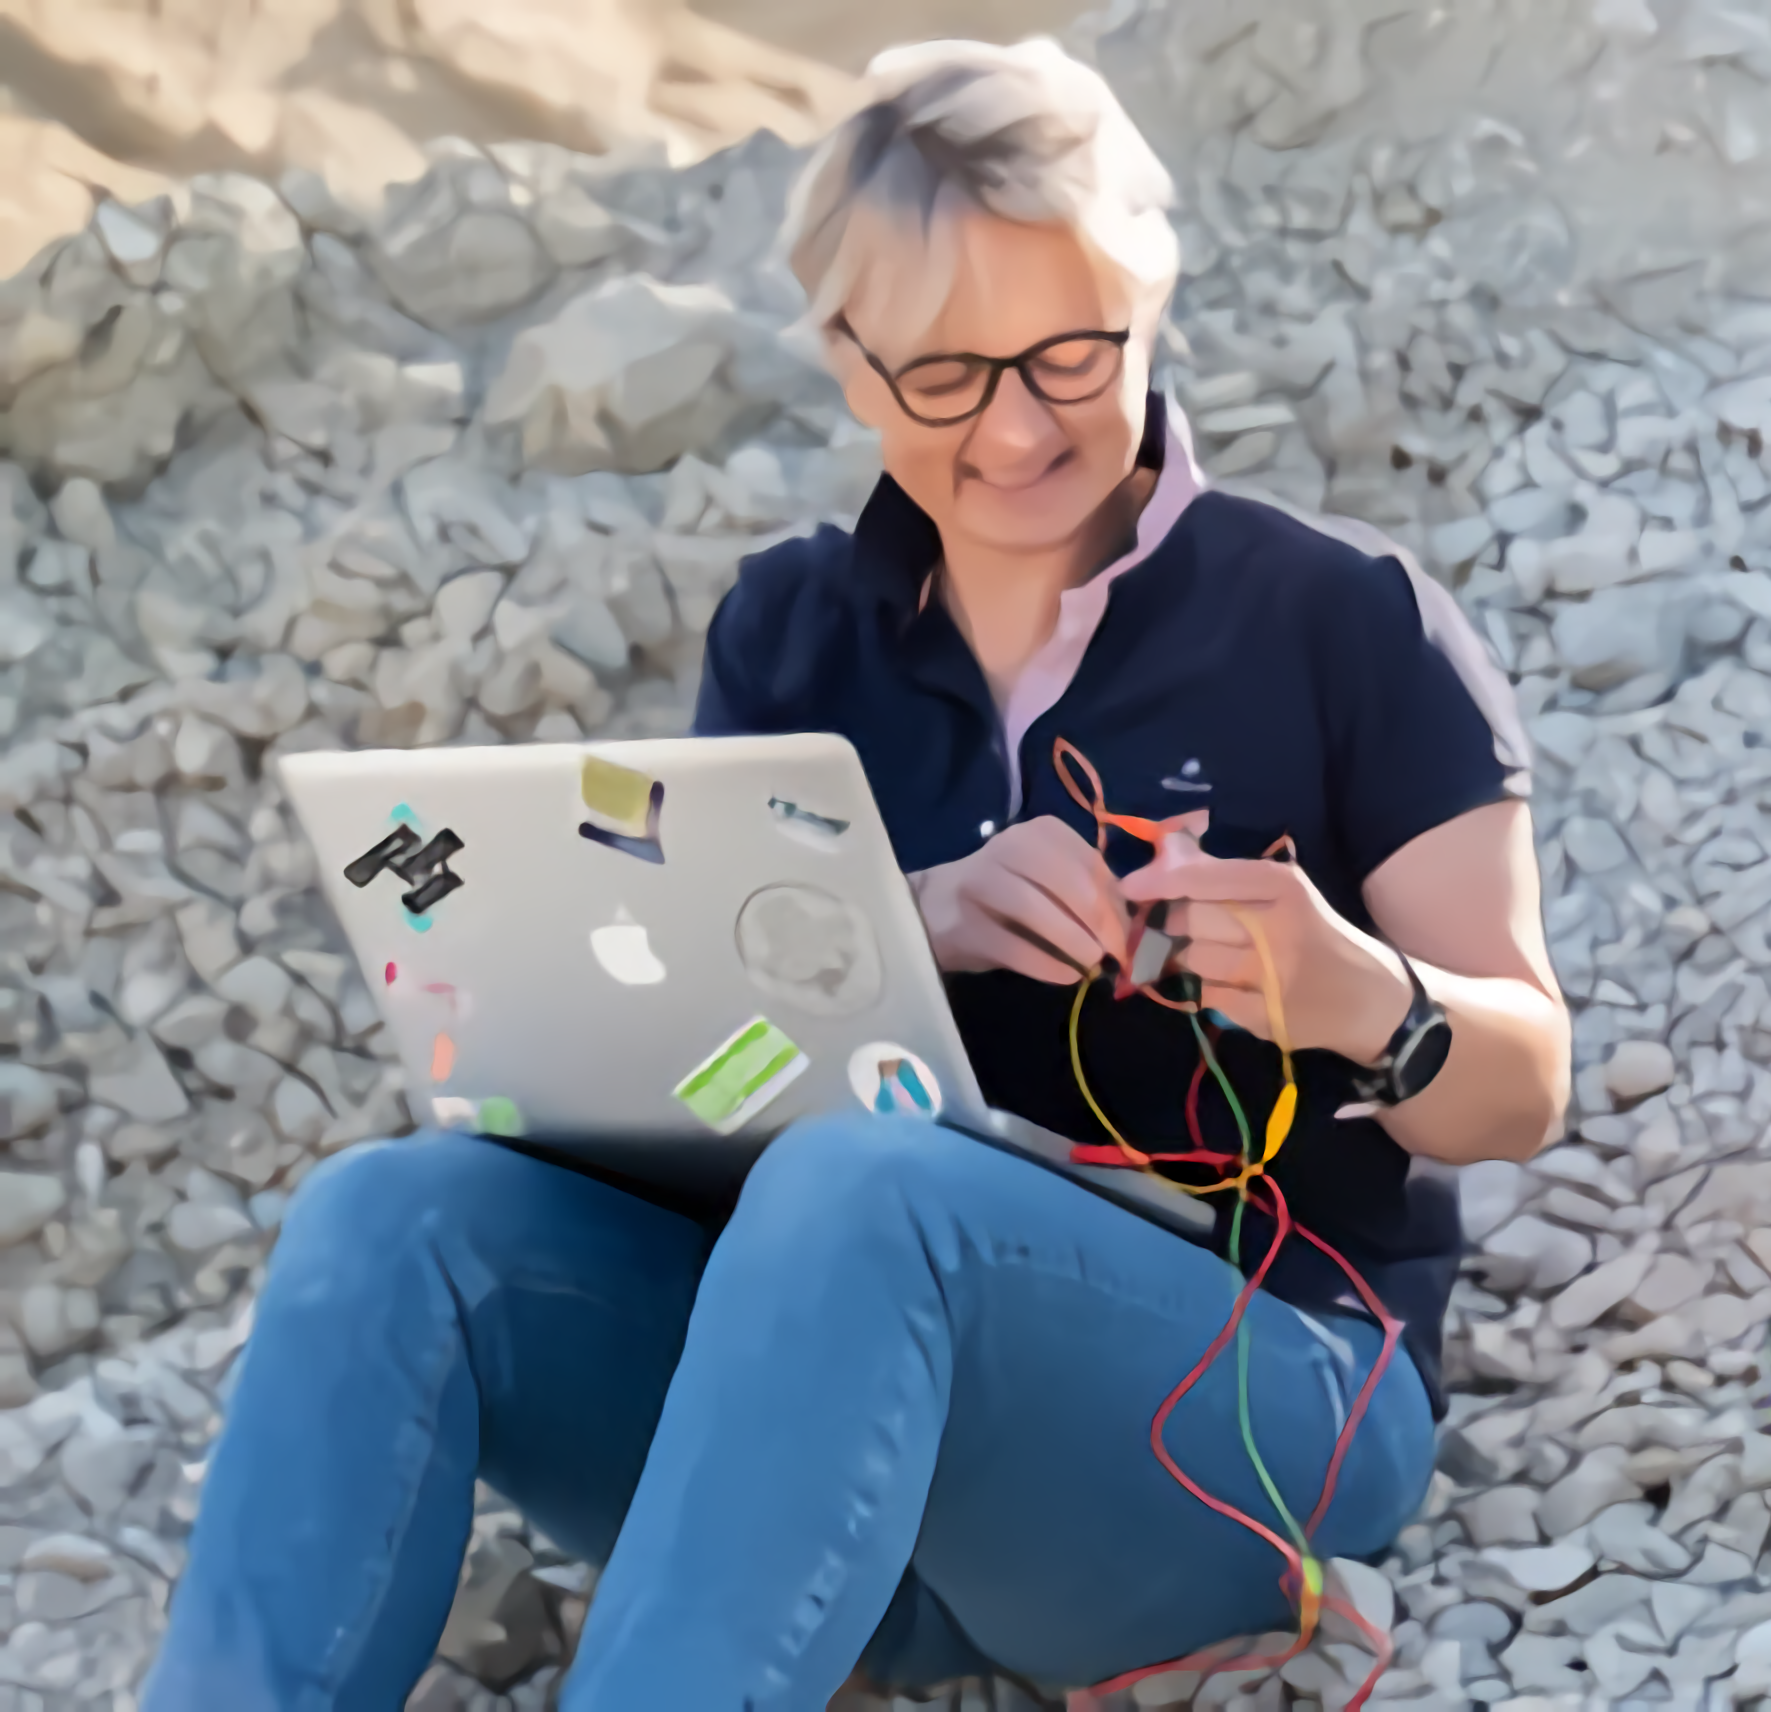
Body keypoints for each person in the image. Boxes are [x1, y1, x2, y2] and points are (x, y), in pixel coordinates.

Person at [143, 35, 1570, 1712]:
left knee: (863, 1184)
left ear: (1149, 300)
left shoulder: (1347, 620)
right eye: (945, 376)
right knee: (391, 1219)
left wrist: (1358, 998)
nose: (1019, 427)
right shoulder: (792, 634)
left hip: (1251, 1422)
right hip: (837, 1496)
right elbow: (685, 1091)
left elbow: (1521, 1086)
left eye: (1066, 352)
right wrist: (903, 923)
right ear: (847, 360)